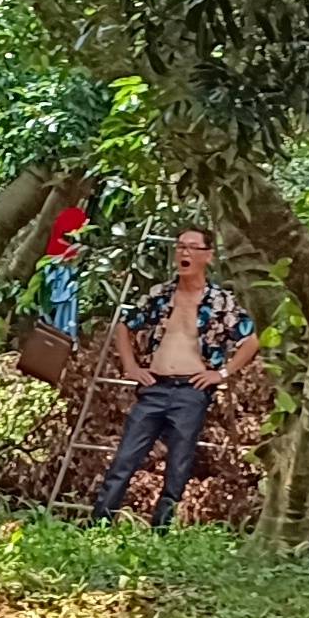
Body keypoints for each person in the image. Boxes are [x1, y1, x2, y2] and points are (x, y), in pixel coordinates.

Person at [90, 223, 258, 527]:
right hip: (155, 385)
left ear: (208, 255)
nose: (184, 252)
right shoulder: (161, 294)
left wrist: (221, 373)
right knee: (125, 457)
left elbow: (251, 340)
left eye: (193, 247)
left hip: (191, 390)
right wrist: (131, 366)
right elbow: (125, 326)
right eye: (180, 246)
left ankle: (162, 530)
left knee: (178, 464)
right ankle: (99, 524)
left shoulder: (220, 301)